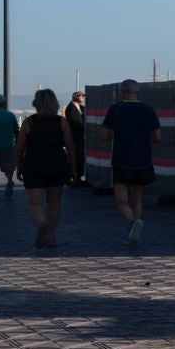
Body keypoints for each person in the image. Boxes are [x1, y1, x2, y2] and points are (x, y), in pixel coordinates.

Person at [13, 88, 76, 249]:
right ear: (55, 103)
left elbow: (20, 147)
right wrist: (73, 169)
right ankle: (50, 235)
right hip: (57, 163)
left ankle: (41, 224)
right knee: (54, 201)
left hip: (34, 164)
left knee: (34, 203)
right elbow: (70, 148)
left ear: (36, 104)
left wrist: (18, 167)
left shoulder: (29, 122)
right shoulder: (61, 122)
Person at [101, 80, 161, 245]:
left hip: (121, 159)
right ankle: (136, 230)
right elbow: (157, 137)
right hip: (143, 159)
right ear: (138, 92)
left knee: (121, 199)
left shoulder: (116, 109)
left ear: (123, 92)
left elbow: (104, 135)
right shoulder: (149, 110)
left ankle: (132, 223)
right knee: (137, 197)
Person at [65, 90, 88, 186]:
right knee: (75, 156)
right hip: (75, 136)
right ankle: (73, 177)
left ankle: (78, 176)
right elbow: (75, 123)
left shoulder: (82, 108)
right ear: (76, 97)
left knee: (80, 156)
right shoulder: (71, 108)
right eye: (81, 96)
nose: (83, 97)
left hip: (81, 136)